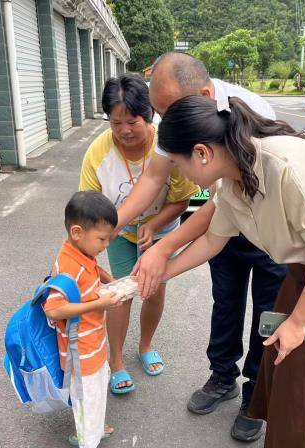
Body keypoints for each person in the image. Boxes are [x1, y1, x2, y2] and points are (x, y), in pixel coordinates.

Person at [156, 95, 305, 447]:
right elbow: (212, 241)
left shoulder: (287, 166)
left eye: (178, 163)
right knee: (289, 374)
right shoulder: (231, 182)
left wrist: (298, 322)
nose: (180, 173)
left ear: (202, 153)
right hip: (304, 272)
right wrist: (157, 275)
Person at [116, 53, 286, 441]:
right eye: (159, 114)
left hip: (273, 233)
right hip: (224, 220)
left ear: (206, 94)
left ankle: (257, 394)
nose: (165, 124)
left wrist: (164, 249)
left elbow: (221, 200)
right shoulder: (177, 119)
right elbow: (156, 180)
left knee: (269, 313)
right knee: (225, 301)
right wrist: (113, 226)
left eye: (168, 111)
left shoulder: (252, 118)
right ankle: (223, 375)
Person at [79, 74, 198, 394]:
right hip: (118, 233)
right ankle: (115, 360)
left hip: (161, 232)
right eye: (115, 123)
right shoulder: (98, 153)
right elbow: (89, 205)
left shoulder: (167, 147)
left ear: (149, 116)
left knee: (153, 290)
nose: (124, 131)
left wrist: (155, 224)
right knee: (120, 294)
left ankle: (145, 346)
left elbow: (182, 200)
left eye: (132, 121)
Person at [42, 191, 124, 448]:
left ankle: (95, 428)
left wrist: (107, 279)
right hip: (80, 354)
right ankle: (88, 437)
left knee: (98, 391)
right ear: (77, 232)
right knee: (87, 398)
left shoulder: (83, 253)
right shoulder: (67, 266)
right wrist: (100, 304)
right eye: (102, 239)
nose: (106, 245)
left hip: (94, 345)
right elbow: (53, 310)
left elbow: (92, 268)